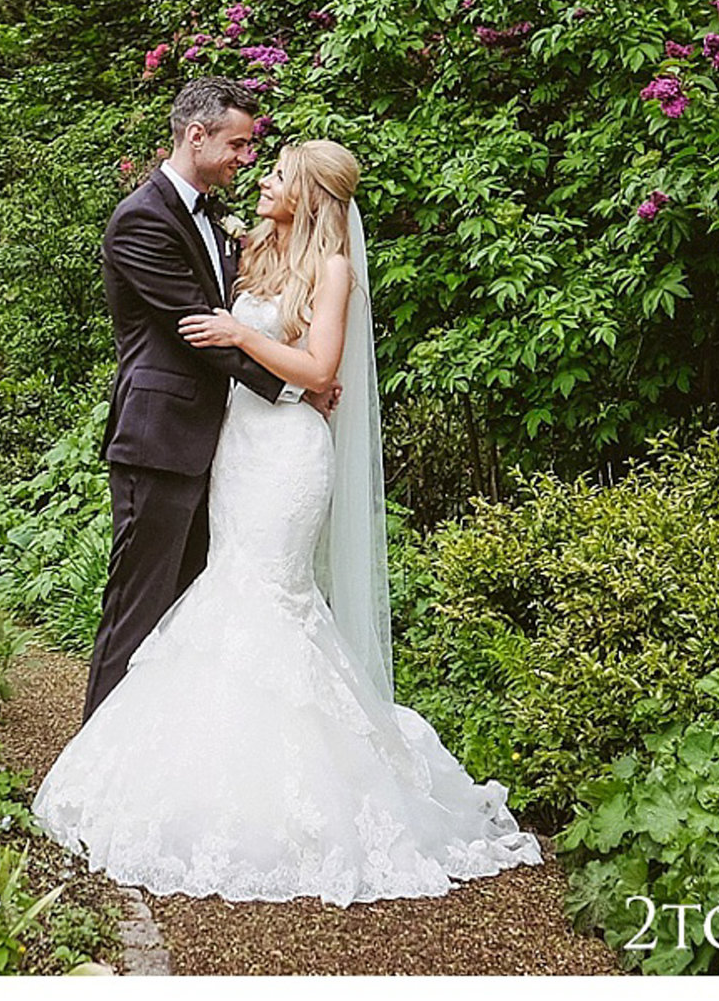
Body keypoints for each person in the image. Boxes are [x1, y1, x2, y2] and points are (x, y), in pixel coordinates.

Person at [38, 136, 541, 905]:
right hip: (235, 447)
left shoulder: (332, 269)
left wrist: (243, 333)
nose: (262, 177)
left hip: (289, 455)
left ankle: (299, 799)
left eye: (276, 173)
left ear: (307, 193)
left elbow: (320, 371)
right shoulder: (253, 248)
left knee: (270, 597)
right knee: (221, 589)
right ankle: (201, 775)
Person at [82, 78, 319, 720]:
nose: (247, 157)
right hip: (159, 440)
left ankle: (154, 758)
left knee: (186, 611)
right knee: (139, 607)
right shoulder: (141, 219)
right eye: (238, 144)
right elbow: (198, 330)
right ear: (197, 136)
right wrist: (297, 387)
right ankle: (90, 765)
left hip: (215, 447)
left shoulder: (213, 217)